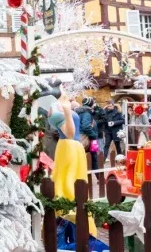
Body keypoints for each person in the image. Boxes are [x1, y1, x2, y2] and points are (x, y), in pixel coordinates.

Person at [48, 98, 96, 236]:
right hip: (69, 146)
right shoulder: (57, 110)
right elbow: (69, 133)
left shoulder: (61, 103)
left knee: (75, 179)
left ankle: (75, 218)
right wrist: (68, 111)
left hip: (73, 147)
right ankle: (69, 216)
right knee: (68, 181)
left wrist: (71, 106)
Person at [75, 97, 98, 171]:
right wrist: (93, 135)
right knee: (94, 157)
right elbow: (86, 126)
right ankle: (98, 177)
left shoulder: (79, 112)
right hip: (87, 138)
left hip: (79, 136)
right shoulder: (86, 113)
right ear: (90, 104)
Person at [102, 100, 125, 164]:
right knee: (106, 145)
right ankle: (103, 159)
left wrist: (114, 123)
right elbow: (103, 121)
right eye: (108, 106)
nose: (109, 107)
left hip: (115, 131)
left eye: (110, 106)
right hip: (108, 131)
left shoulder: (118, 111)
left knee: (117, 145)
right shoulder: (105, 112)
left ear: (113, 105)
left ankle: (120, 159)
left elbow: (123, 120)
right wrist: (104, 128)